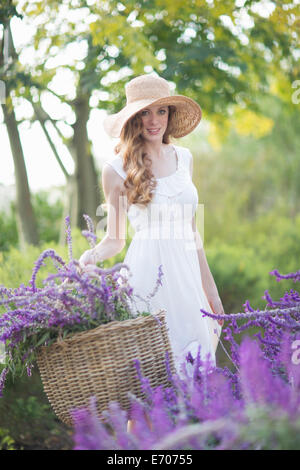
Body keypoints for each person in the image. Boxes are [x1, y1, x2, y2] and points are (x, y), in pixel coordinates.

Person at [79, 73, 225, 433]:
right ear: (133, 119)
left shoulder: (185, 158)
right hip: (146, 282)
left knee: (194, 380)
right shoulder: (115, 170)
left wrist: (212, 292)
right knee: (145, 391)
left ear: (169, 115)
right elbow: (114, 240)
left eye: (161, 111)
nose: (154, 120)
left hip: (188, 282)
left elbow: (193, 232)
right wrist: (86, 260)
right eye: (145, 114)